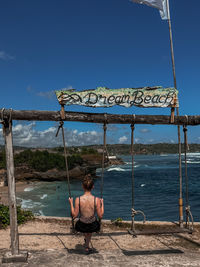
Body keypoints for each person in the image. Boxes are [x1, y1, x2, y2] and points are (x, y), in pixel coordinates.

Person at [69, 174, 104, 253]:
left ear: (82, 187)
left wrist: (71, 203)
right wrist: (102, 204)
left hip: (81, 225)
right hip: (93, 225)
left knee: (86, 227)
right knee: (90, 229)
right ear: (92, 187)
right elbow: (100, 215)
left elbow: (74, 215)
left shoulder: (78, 199)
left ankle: (86, 244)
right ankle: (87, 246)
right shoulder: (97, 199)